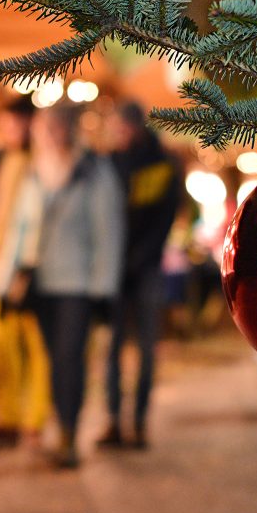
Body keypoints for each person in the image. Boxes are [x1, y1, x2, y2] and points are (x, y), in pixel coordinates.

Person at [3, 103, 124, 468]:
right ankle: (62, 424)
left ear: (69, 131)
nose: (50, 136)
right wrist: (7, 282)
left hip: (78, 284)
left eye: (56, 129)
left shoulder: (94, 172)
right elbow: (19, 229)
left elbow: (108, 232)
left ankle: (70, 432)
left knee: (71, 357)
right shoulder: (35, 173)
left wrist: (104, 288)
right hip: (41, 282)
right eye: (45, 129)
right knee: (54, 358)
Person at [98, 102, 181, 449]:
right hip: (114, 270)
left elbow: (164, 219)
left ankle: (140, 422)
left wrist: (140, 257)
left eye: (121, 127)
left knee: (146, 348)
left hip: (145, 269)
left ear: (133, 126)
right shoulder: (110, 164)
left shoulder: (163, 165)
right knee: (112, 348)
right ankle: (114, 421)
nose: (117, 134)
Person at [0, 96, 52, 452]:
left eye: (14, 124)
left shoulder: (41, 164)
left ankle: (32, 421)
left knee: (35, 346)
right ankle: (9, 416)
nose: (8, 132)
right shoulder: (7, 161)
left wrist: (22, 268)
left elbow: (31, 225)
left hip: (29, 269)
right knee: (1, 344)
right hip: (0, 266)